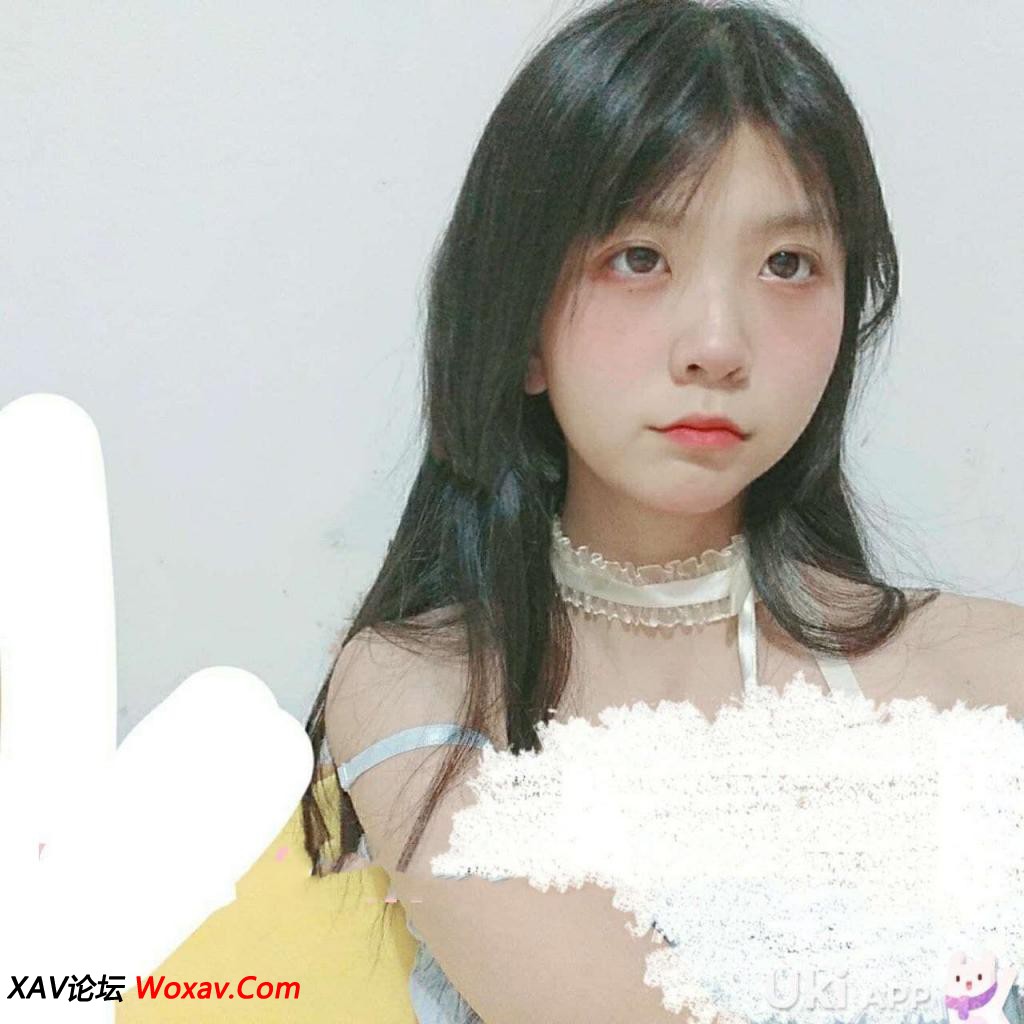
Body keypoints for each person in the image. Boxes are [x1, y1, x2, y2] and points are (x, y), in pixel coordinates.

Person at [300, 1, 1024, 1021]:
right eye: (638, 257)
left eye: (787, 264)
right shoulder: (430, 689)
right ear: (519, 325)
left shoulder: (988, 668)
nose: (717, 345)